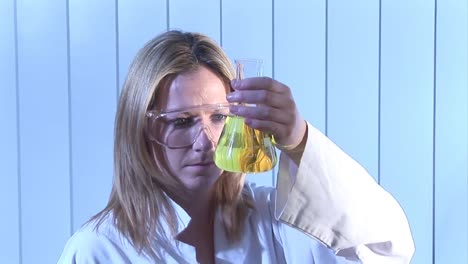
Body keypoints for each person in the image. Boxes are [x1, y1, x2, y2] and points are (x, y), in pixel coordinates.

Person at [57, 30, 415, 264]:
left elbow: (387, 247)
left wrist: (299, 139)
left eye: (220, 117)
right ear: (139, 128)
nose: (207, 141)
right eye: (182, 122)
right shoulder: (99, 250)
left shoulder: (272, 221)